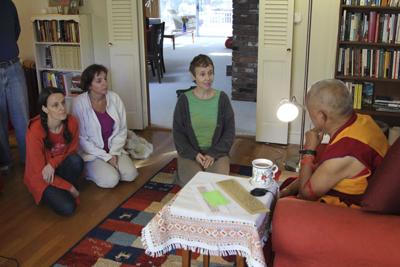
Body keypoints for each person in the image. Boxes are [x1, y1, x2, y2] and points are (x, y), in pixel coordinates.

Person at [280, 79, 389, 208]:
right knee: (287, 185)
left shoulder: (344, 155)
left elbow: (305, 195)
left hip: (347, 212)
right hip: (352, 183)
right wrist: (287, 191)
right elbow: (322, 171)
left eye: (311, 114)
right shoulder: (363, 120)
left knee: (285, 205)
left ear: (322, 116)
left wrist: (308, 150)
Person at [173, 54, 235, 186]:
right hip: (190, 154)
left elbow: (229, 132)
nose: (207, 78)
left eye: (210, 73)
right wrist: (194, 154)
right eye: (202, 74)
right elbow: (178, 134)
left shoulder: (222, 99)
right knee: (197, 185)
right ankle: (181, 175)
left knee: (215, 184)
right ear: (193, 76)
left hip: (217, 154)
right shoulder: (184, 100)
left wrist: (213, 153)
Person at [73, 64, 138, 188]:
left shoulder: (115, 98)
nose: (105, 83)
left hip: (114, 149)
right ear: (89, 85)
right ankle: (87, 171)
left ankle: (109, 167)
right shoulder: (78, 103)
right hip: (93, 153)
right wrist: (105, 157)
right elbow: (81, 139)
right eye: (99, 81)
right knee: (111, 180)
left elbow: (122, 129)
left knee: (131, 175)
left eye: (105, 79)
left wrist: (113, 153)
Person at [24, 87, 83, 216]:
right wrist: (70, 188)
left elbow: (72, 150)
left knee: (76, 160)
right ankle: (61, 190)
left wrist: (52, 163)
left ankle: (61, 189)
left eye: (63, 102)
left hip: (56, 168)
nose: (62, 108)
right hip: (41, 177)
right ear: (45, 109)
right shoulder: (34, 131)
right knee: (68, 208)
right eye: (55, 105)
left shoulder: (72, 122)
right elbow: (40, 171)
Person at [0, 0, 30, 171]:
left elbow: (16, 31)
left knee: (22, 118)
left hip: (13, 67)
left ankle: (29, 160)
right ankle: (5, 163)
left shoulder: (7, 4)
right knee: (0, 120)